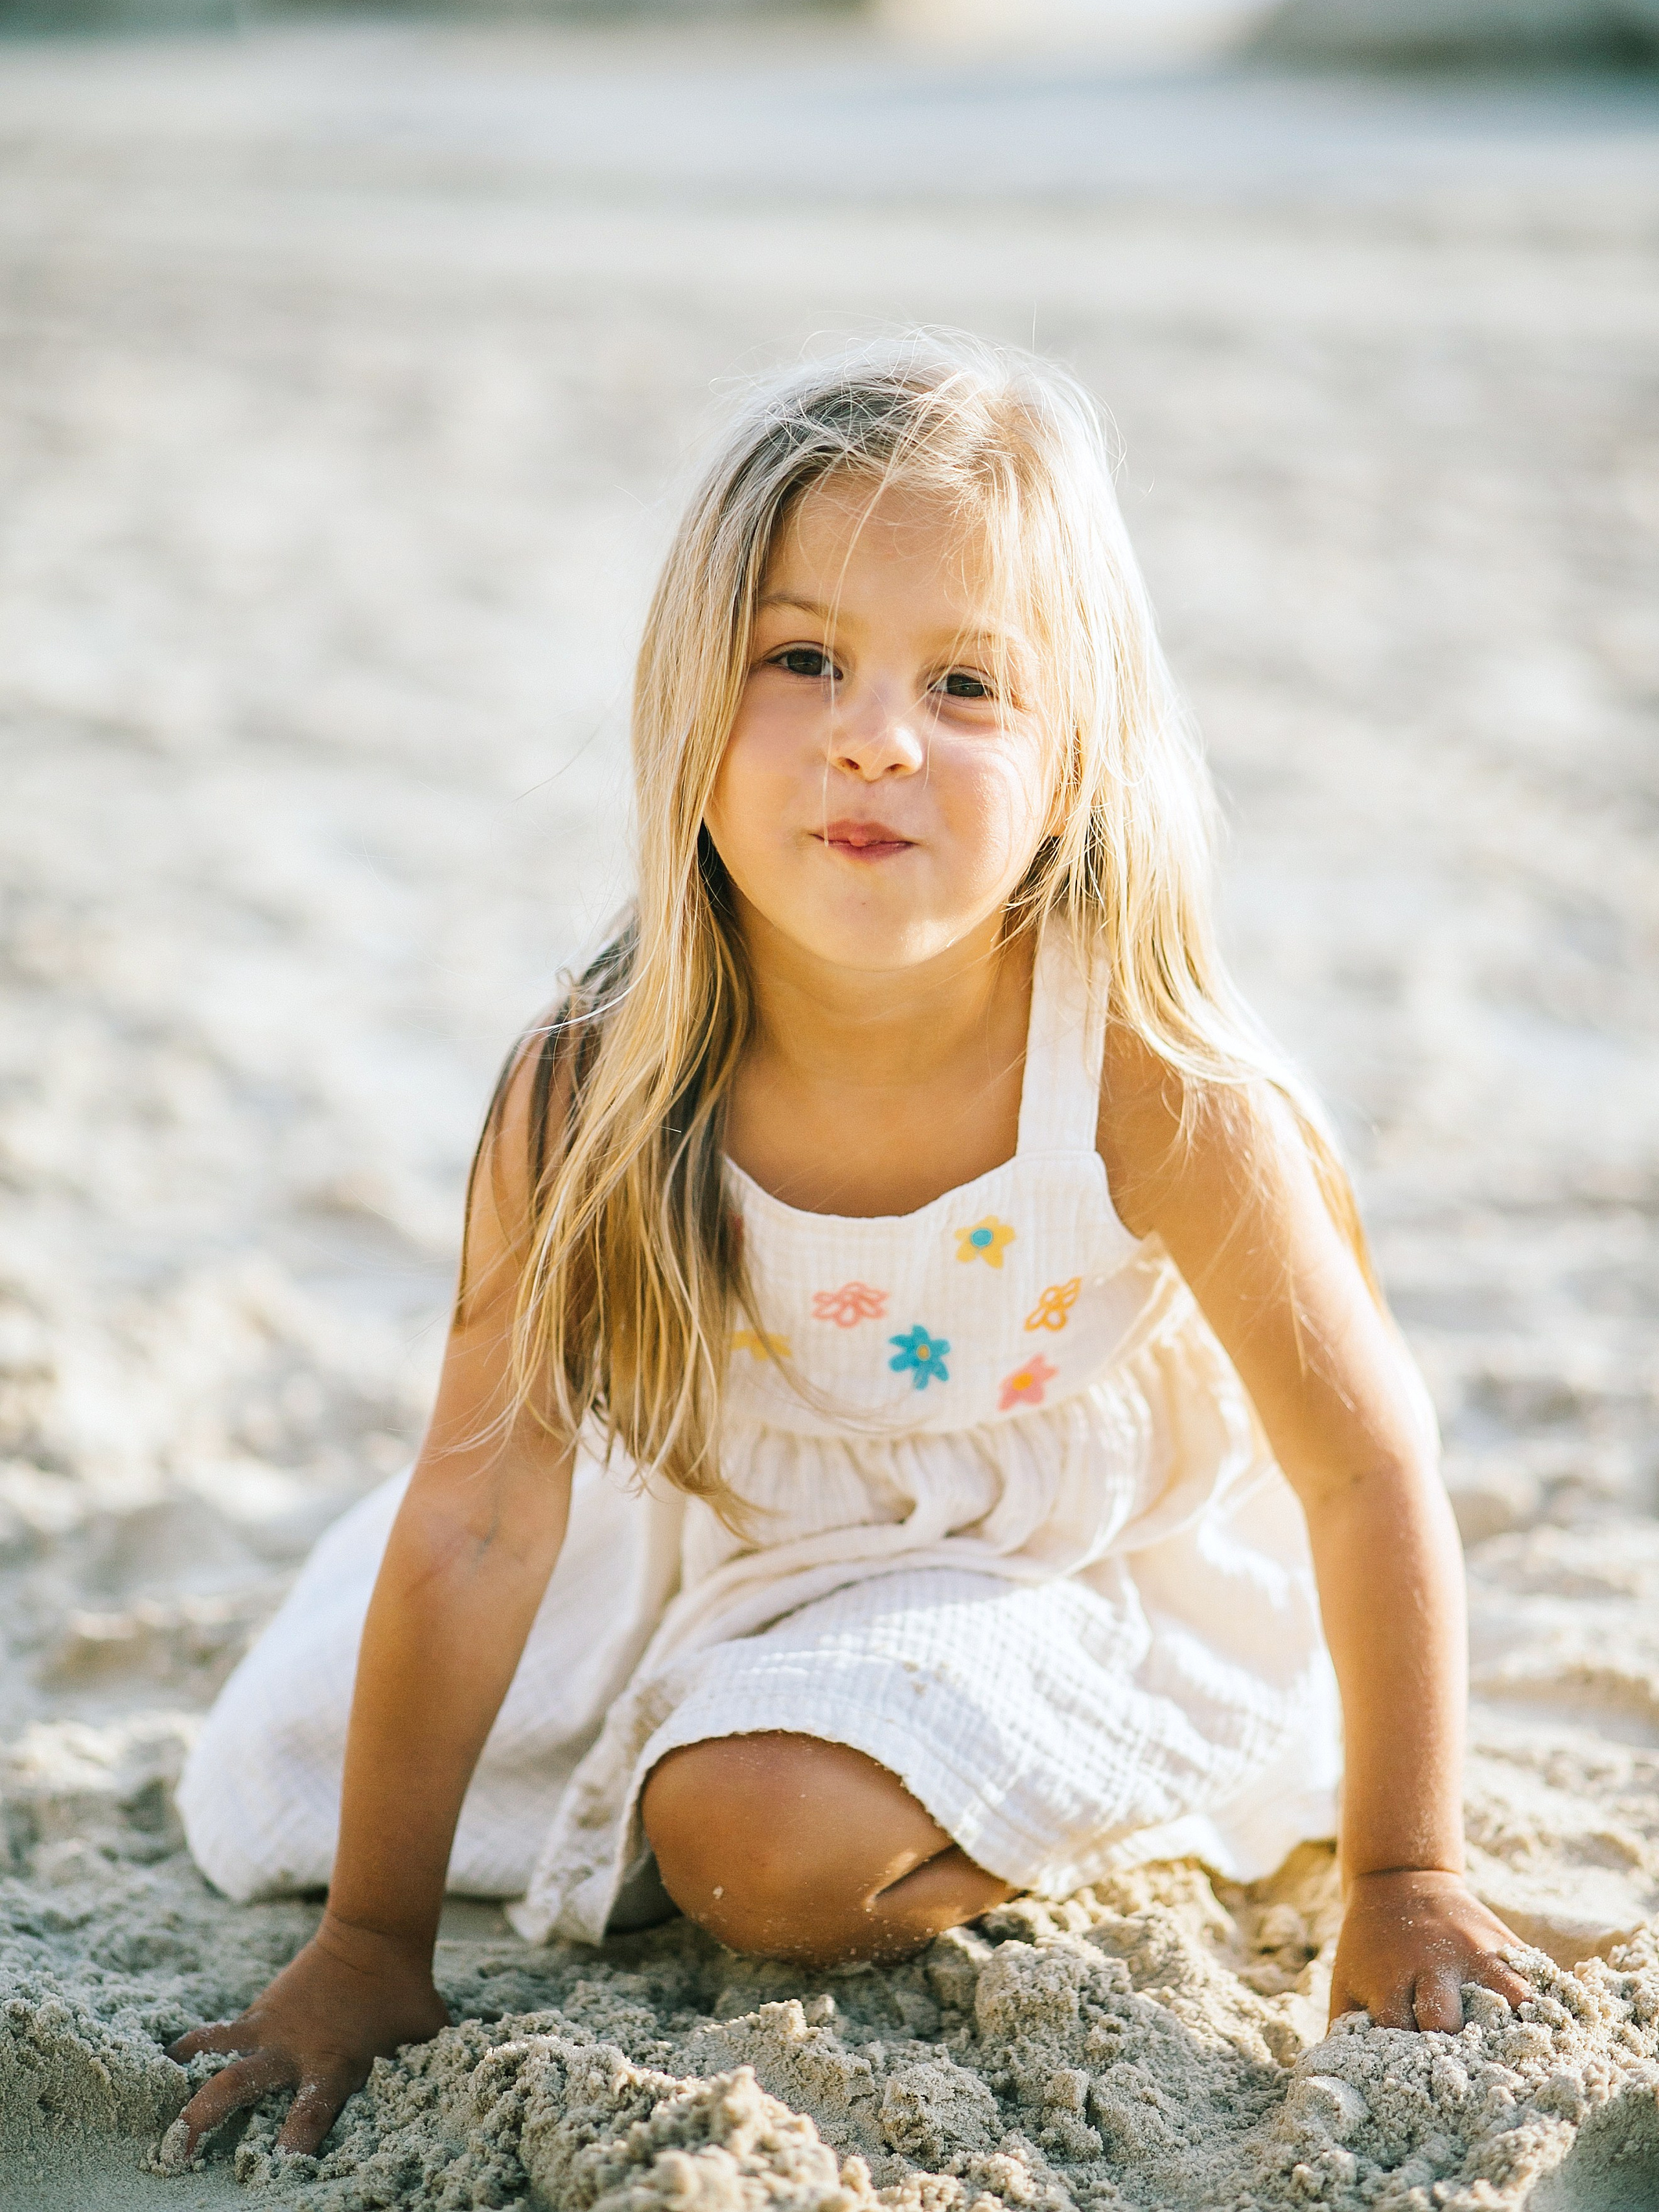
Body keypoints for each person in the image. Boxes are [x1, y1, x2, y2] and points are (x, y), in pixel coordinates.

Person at [168, 334, 1526, 2160]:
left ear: (1076, 762)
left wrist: (1406, 1865)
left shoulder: (1140, 1076)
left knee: (751, 1841)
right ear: (687, 705)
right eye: (802, 659)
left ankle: (1129, 1782)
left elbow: (1365, 1465)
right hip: (731, 1545)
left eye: (966, 684)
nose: (875, 732)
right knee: (292, 1769)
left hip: (1070, 1565)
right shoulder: (597, 1080)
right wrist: (368, 1938)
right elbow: (486, 1511)